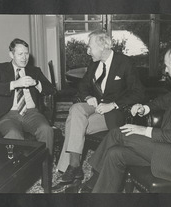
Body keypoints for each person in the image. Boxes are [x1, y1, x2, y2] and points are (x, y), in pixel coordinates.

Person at [79, 43, 171, 193]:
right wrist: (146, 107)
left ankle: (93, 179)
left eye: (168, 66)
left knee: (118, 133)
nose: (166, 70)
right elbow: (164, 100)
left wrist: (145, 130)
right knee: (114, 153)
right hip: (165, 146)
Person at [56, 30, 145, 183]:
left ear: (103, 46)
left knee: (74, 124)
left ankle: (71, 168)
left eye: (90, 47)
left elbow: (139, 93)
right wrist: (88, 97)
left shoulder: (124, 63)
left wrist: (113, 104)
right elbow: (82, 86)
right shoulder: (94, 64)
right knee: (76, 109)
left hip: (112, 112)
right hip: (95, 106)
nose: (87, 51)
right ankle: (75, 165)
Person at [0, 38, 56, 159]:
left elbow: (51, 89)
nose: (24, 58)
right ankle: (19, 170)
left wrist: (36, 83)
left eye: (26, 53)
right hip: (8, 115)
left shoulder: (34, 71)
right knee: (13, 134)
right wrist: (14, 84)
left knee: (46, 130)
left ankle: (45, 166)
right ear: (11, 54)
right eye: (20, 54)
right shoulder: (0, 69)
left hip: (32, 113)